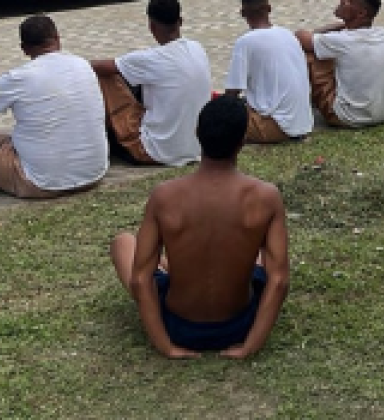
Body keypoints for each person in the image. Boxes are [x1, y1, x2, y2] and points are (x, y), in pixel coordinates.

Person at [110, 94, 290, 359]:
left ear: (197, 133)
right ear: (242, 141)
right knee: (265, 257)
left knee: (123, 242)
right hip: (240, 325)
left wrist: (166, 346)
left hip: (179, 327)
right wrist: (250, 346)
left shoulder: (165, 196)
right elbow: (279, 280)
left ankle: (175, 268)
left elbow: (140, 278)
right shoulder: (266, 197)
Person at [0, 15, 108, 200]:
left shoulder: (19, 77)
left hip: (41, 183)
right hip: (94, 173)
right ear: (57, 39)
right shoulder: (83, 65)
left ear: (24, 49)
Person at [91, 0, 213, 166]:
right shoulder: (197, 48)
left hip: (157, 151)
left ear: (151, 26)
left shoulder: (150, 59)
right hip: (198, 147)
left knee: (107, 77)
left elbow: (96, 67)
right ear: (181, 21)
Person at [295, 0, 384, 130]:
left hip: (348, 117)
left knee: (310, 55)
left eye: (349, 0)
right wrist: (346, 24)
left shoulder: (343, 40)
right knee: (326, 53)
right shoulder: (381, 33)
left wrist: (337, 27)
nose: (342, 0)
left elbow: (300, 37)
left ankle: (293, 104)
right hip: (383, 113)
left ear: (361, 13)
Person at [226, 0, 313, 144]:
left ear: (243, 13)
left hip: (276, 125)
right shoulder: (288, 34)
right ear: (269, 8)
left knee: (217, 118)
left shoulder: (245, 42)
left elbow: (232, 93)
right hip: (302, 123)